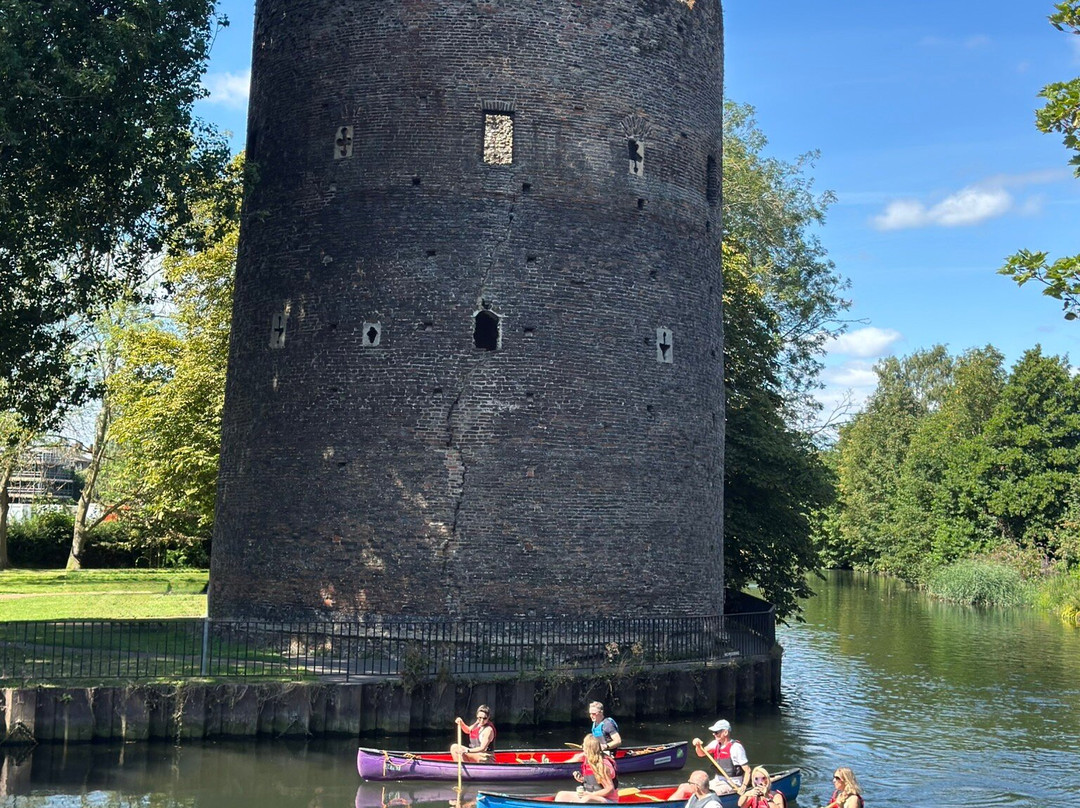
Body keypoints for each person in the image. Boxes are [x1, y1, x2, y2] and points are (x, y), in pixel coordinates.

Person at [693, 719, 750, 795]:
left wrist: (744, 786)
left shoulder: (736, 747)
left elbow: (748, 770)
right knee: (693, 788)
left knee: (706, 793)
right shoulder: (715, 743)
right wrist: (698, 746)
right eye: (713, 732)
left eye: (716, 732)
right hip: (717, 781)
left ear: (725, 732)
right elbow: (701, 754)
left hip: (732, 784)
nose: (714, 734)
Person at [554, 735, 618, 803]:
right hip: (590, 795)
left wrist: (590, 794)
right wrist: (583, 779)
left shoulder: (603, 765)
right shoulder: (587, 760)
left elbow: (610, 789)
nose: (582, 748)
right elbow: (595, 782)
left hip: (608, 801)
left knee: (587, 799)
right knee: (561, 795)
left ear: (589, 748)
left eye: (584, 745)